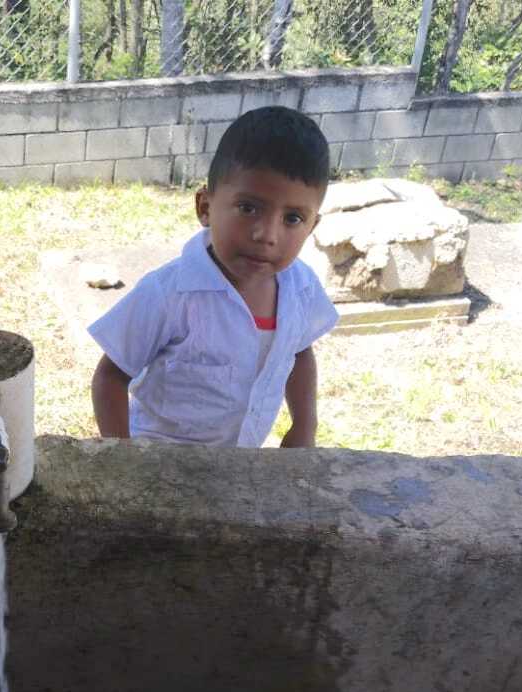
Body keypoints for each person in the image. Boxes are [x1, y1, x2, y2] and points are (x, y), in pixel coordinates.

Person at [89, 105, 338, 448]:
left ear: (312, 226)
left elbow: (299, 350)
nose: (267, 235)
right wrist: (126, 459)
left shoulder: (301, 288)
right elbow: (110, 377)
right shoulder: (169, 293)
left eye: (293, 218)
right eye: (248, 208)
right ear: (205, 207)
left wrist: (304, 424)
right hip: (160, 460)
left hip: (240, 460)